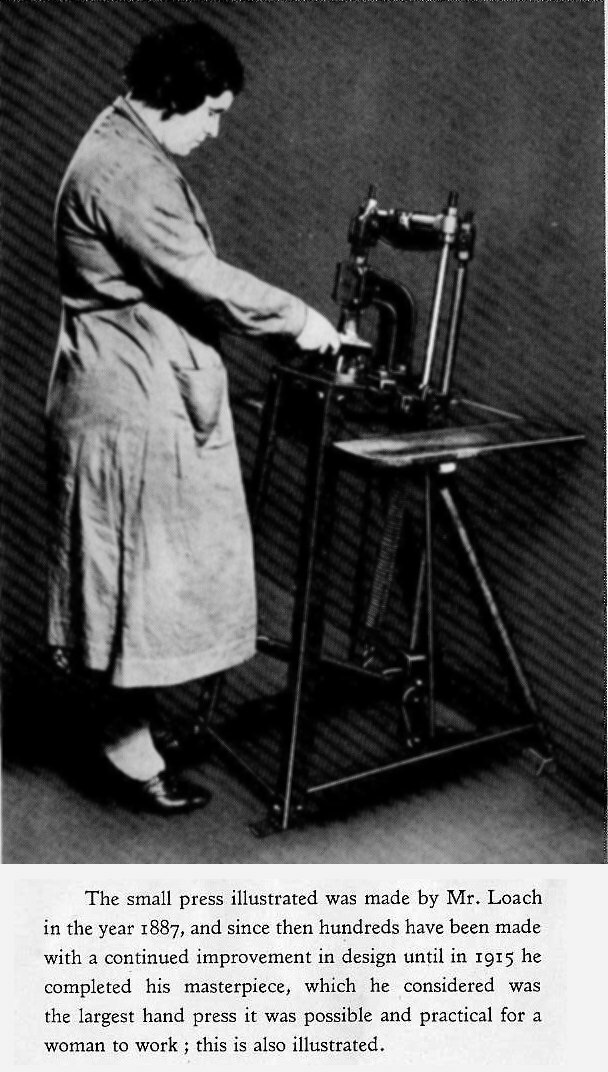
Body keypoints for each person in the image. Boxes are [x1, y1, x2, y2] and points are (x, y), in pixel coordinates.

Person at [46, 21, 341, 813]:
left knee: (140, 582)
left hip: (131, 392)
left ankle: (130, 732)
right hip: (126, 406)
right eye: (210, 112)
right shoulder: (125, 171)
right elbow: (201, 278)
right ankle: (126, 752)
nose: (214, 131)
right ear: (172, 96)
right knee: (132, 584)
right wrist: (302, 320)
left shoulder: (124, 141)